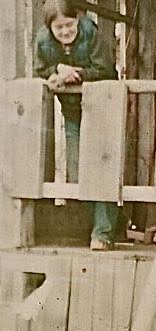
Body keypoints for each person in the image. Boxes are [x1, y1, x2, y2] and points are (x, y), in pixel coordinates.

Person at [35, 0, 120, 250]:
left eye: (69, 25)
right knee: (77, 169)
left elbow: (107, 71)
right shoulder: (43, 41)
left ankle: (103, 234)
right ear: (49, 28)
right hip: (73, 113)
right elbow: (40, 69)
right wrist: (56, 69)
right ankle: (89, 229)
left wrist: (77, 74)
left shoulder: (91, 34)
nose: (65, 32)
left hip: (102, 111)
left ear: (78, 19)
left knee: (103, 168)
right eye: (58, 28)